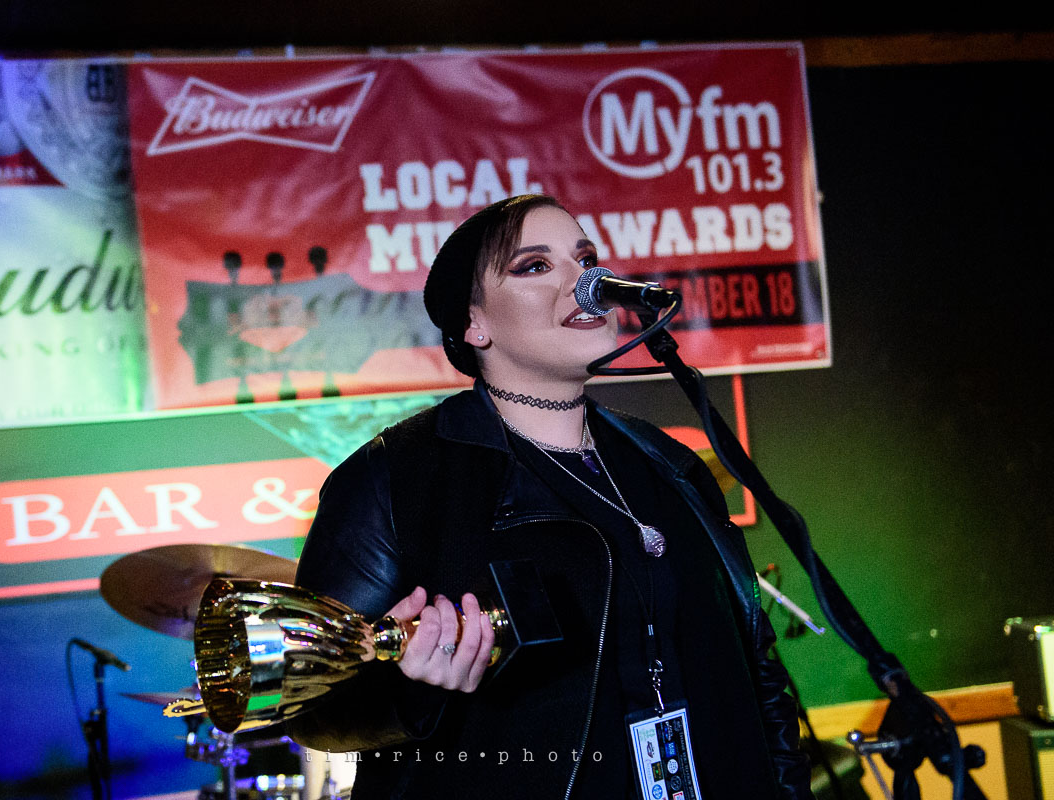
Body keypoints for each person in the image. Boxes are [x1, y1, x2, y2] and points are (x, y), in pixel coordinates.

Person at [285, 195, 813, 799]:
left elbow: (757, 669)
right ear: (474, 324)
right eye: (535, 266)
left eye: (585, 259)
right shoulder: (394, 477)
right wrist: (413, 690)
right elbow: (311, 706)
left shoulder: (669, 463)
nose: (586, 281)